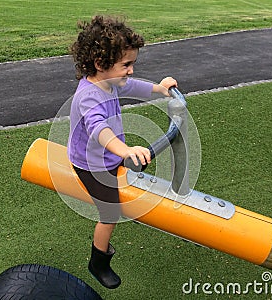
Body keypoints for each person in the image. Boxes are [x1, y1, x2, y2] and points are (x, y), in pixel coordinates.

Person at [68, 15, 177, 289]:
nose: (130, 70)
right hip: (91, 164)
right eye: (126, 65)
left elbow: (135, 86)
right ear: (99, 64)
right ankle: (98, 260)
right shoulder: (89, 96)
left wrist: (160, 90)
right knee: (110, 211)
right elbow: (99, 130)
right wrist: (125, 149)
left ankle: (126, 162)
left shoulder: (111, 80)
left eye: (132, 64)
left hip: (111, 155)